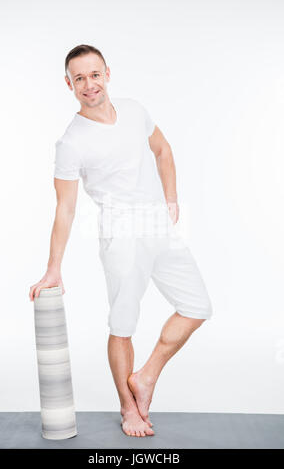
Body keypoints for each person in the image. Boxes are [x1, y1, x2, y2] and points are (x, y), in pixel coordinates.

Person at [29, 44, 213, 438]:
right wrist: (53, 268)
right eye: (79, 78)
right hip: (120, 234)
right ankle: (129, 409)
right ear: (69, 84)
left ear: (107, 73)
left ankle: (145, 377)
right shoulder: (71, 141)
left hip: (157, 225)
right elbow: (65, 209)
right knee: (123, 324)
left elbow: (162, 150)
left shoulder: (134, 109)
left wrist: (170, 197)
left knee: (197, 307)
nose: (89, 84)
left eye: (94, 74)